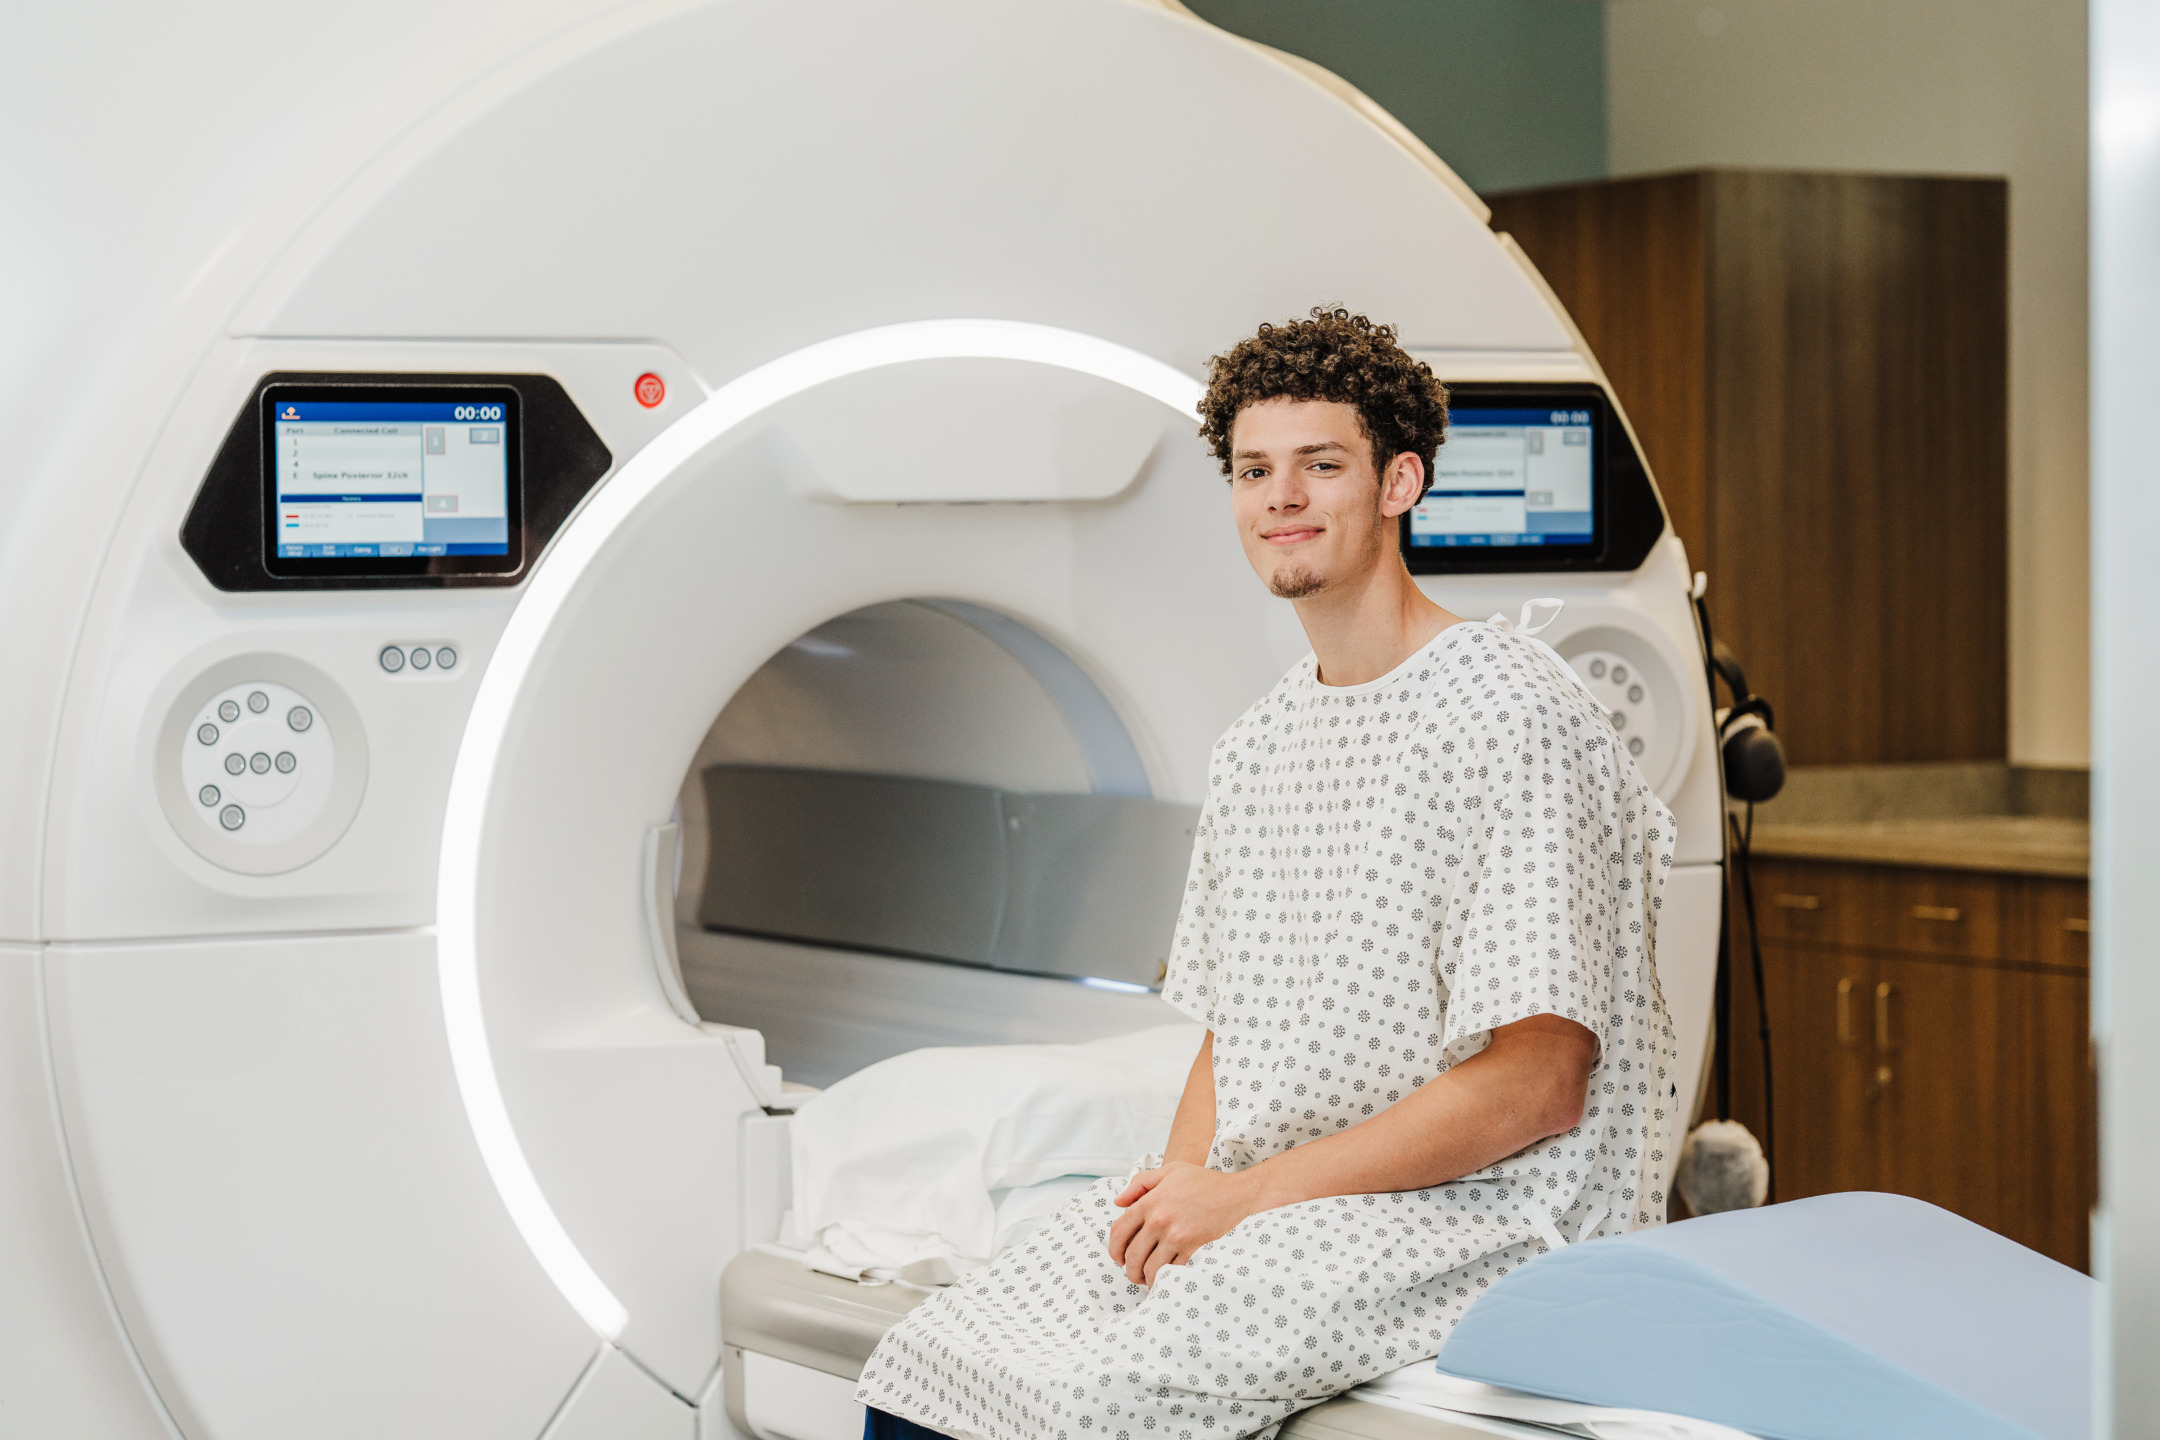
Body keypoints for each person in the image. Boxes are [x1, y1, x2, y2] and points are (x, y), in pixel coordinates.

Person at [858, 308, 1679, 1440]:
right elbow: (1228, 1034)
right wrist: (1176, 1197)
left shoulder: (1513, 710)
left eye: (1320, 465)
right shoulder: (1258, 745)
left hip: (1476, 1212)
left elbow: (1538, 1084)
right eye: (1254, 470)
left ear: (1399, 482)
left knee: (1110, 1396)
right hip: (1279, 1197)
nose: (1280, 497)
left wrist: (1242, 1200)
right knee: (940, 1356)